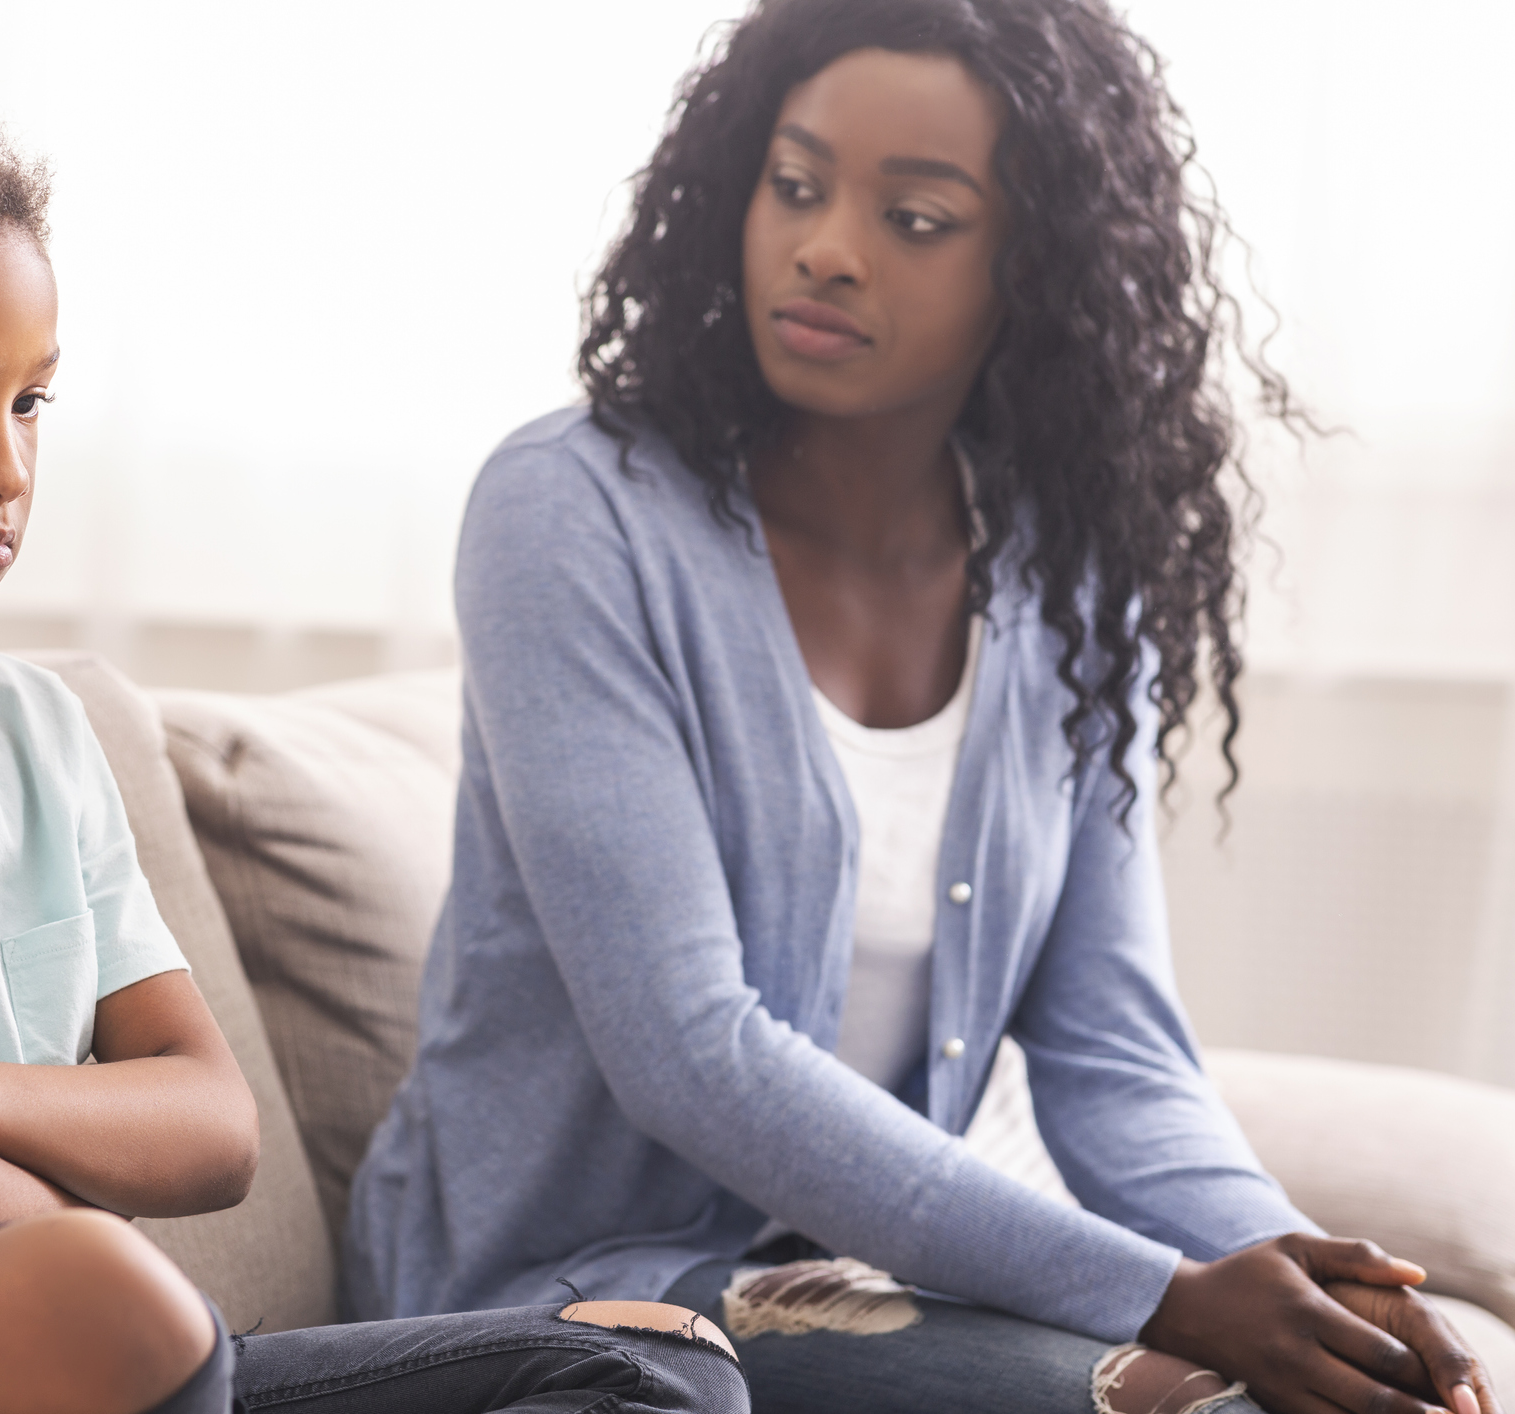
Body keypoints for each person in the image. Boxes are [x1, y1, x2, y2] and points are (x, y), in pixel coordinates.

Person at [342, 4, 1503, 1414]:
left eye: (914, 216)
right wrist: (1163, 1295)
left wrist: (1297, 1279)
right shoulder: (573, 511)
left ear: (1038, 267)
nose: (827, 245)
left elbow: (1113, 1050)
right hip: (572, 1288)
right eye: (795, 184)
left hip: (856, 1275)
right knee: (1178, 1395)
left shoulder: (1068, 571)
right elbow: (688, 1050)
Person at [0, 110, 750, 1414]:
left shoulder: (33, 727)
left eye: (29, 400)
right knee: (86, 1282)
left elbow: (214, 1131)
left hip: (133, 1363)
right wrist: (57, 1197)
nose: (5, 469)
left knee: (658, 1361)